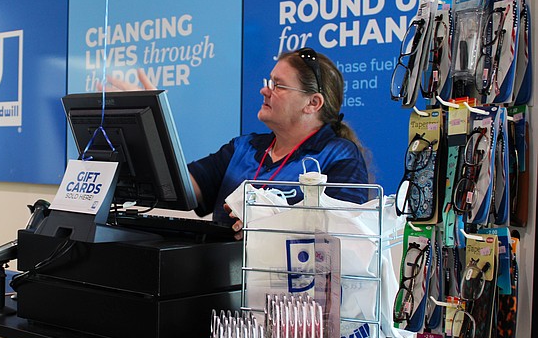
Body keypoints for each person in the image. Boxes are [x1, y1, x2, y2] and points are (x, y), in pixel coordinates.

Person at [107, 48, 370, 233]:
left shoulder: (339, 156)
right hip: (221, 291)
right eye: (269, 81)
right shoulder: (244, 148)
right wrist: (151, 124)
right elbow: (178, 189)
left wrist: (266, 229)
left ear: (313, 103)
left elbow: (340, 239)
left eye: (278, 85)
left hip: (293, 303)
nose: (264, 90)